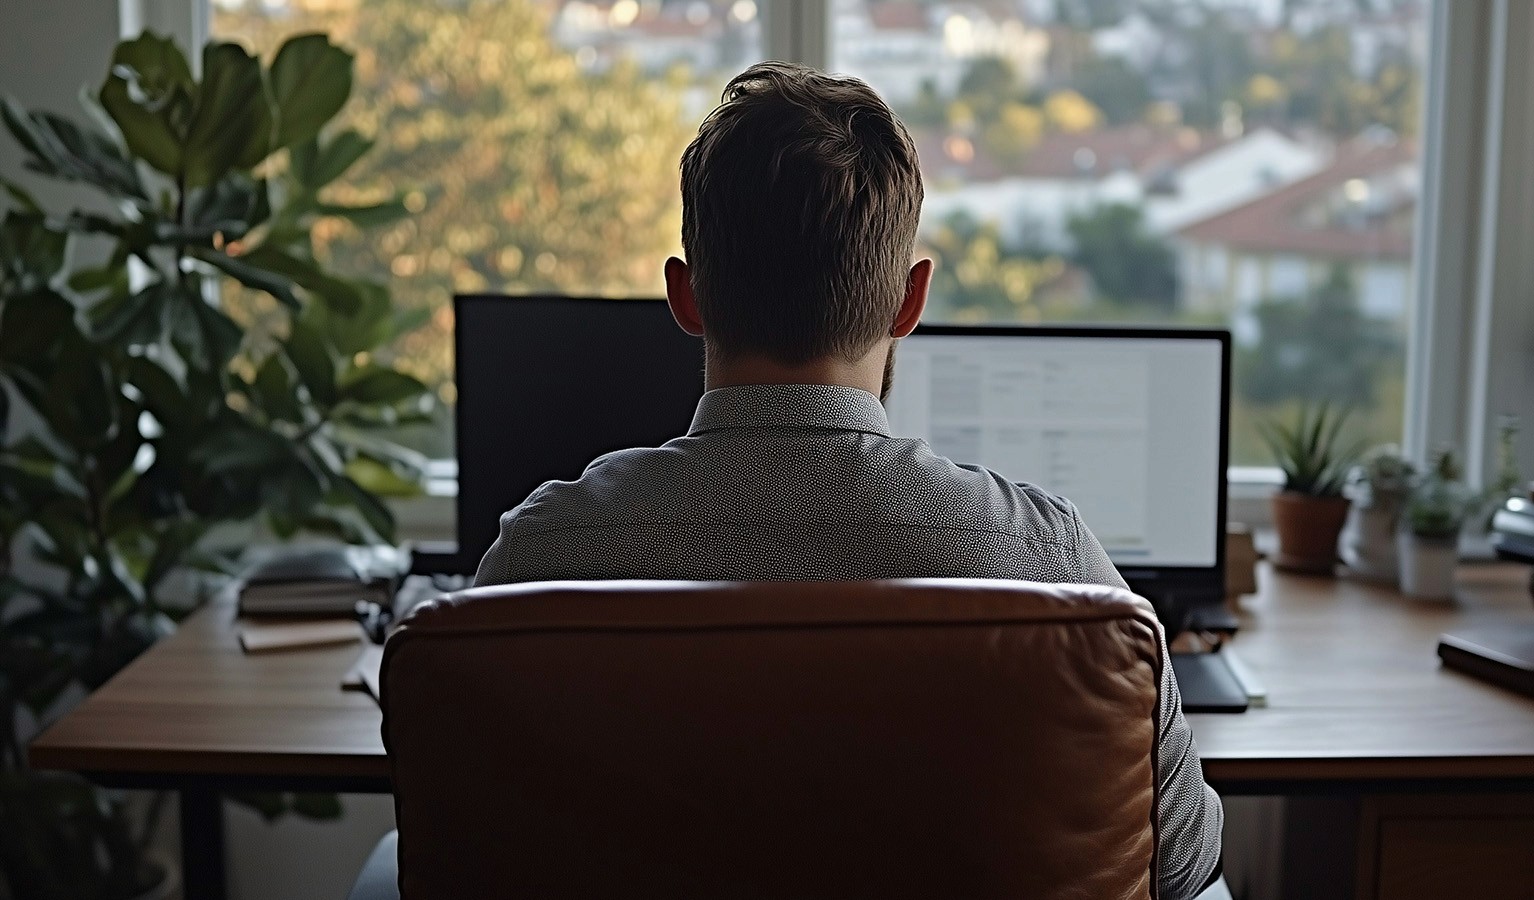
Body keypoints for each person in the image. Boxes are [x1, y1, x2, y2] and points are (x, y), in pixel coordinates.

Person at [474, 61, 1223, 898]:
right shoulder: (1053, 568)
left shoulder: (534, 564)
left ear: (685, 297)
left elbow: (473, 849)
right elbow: (1182, 861)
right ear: (910, 302)